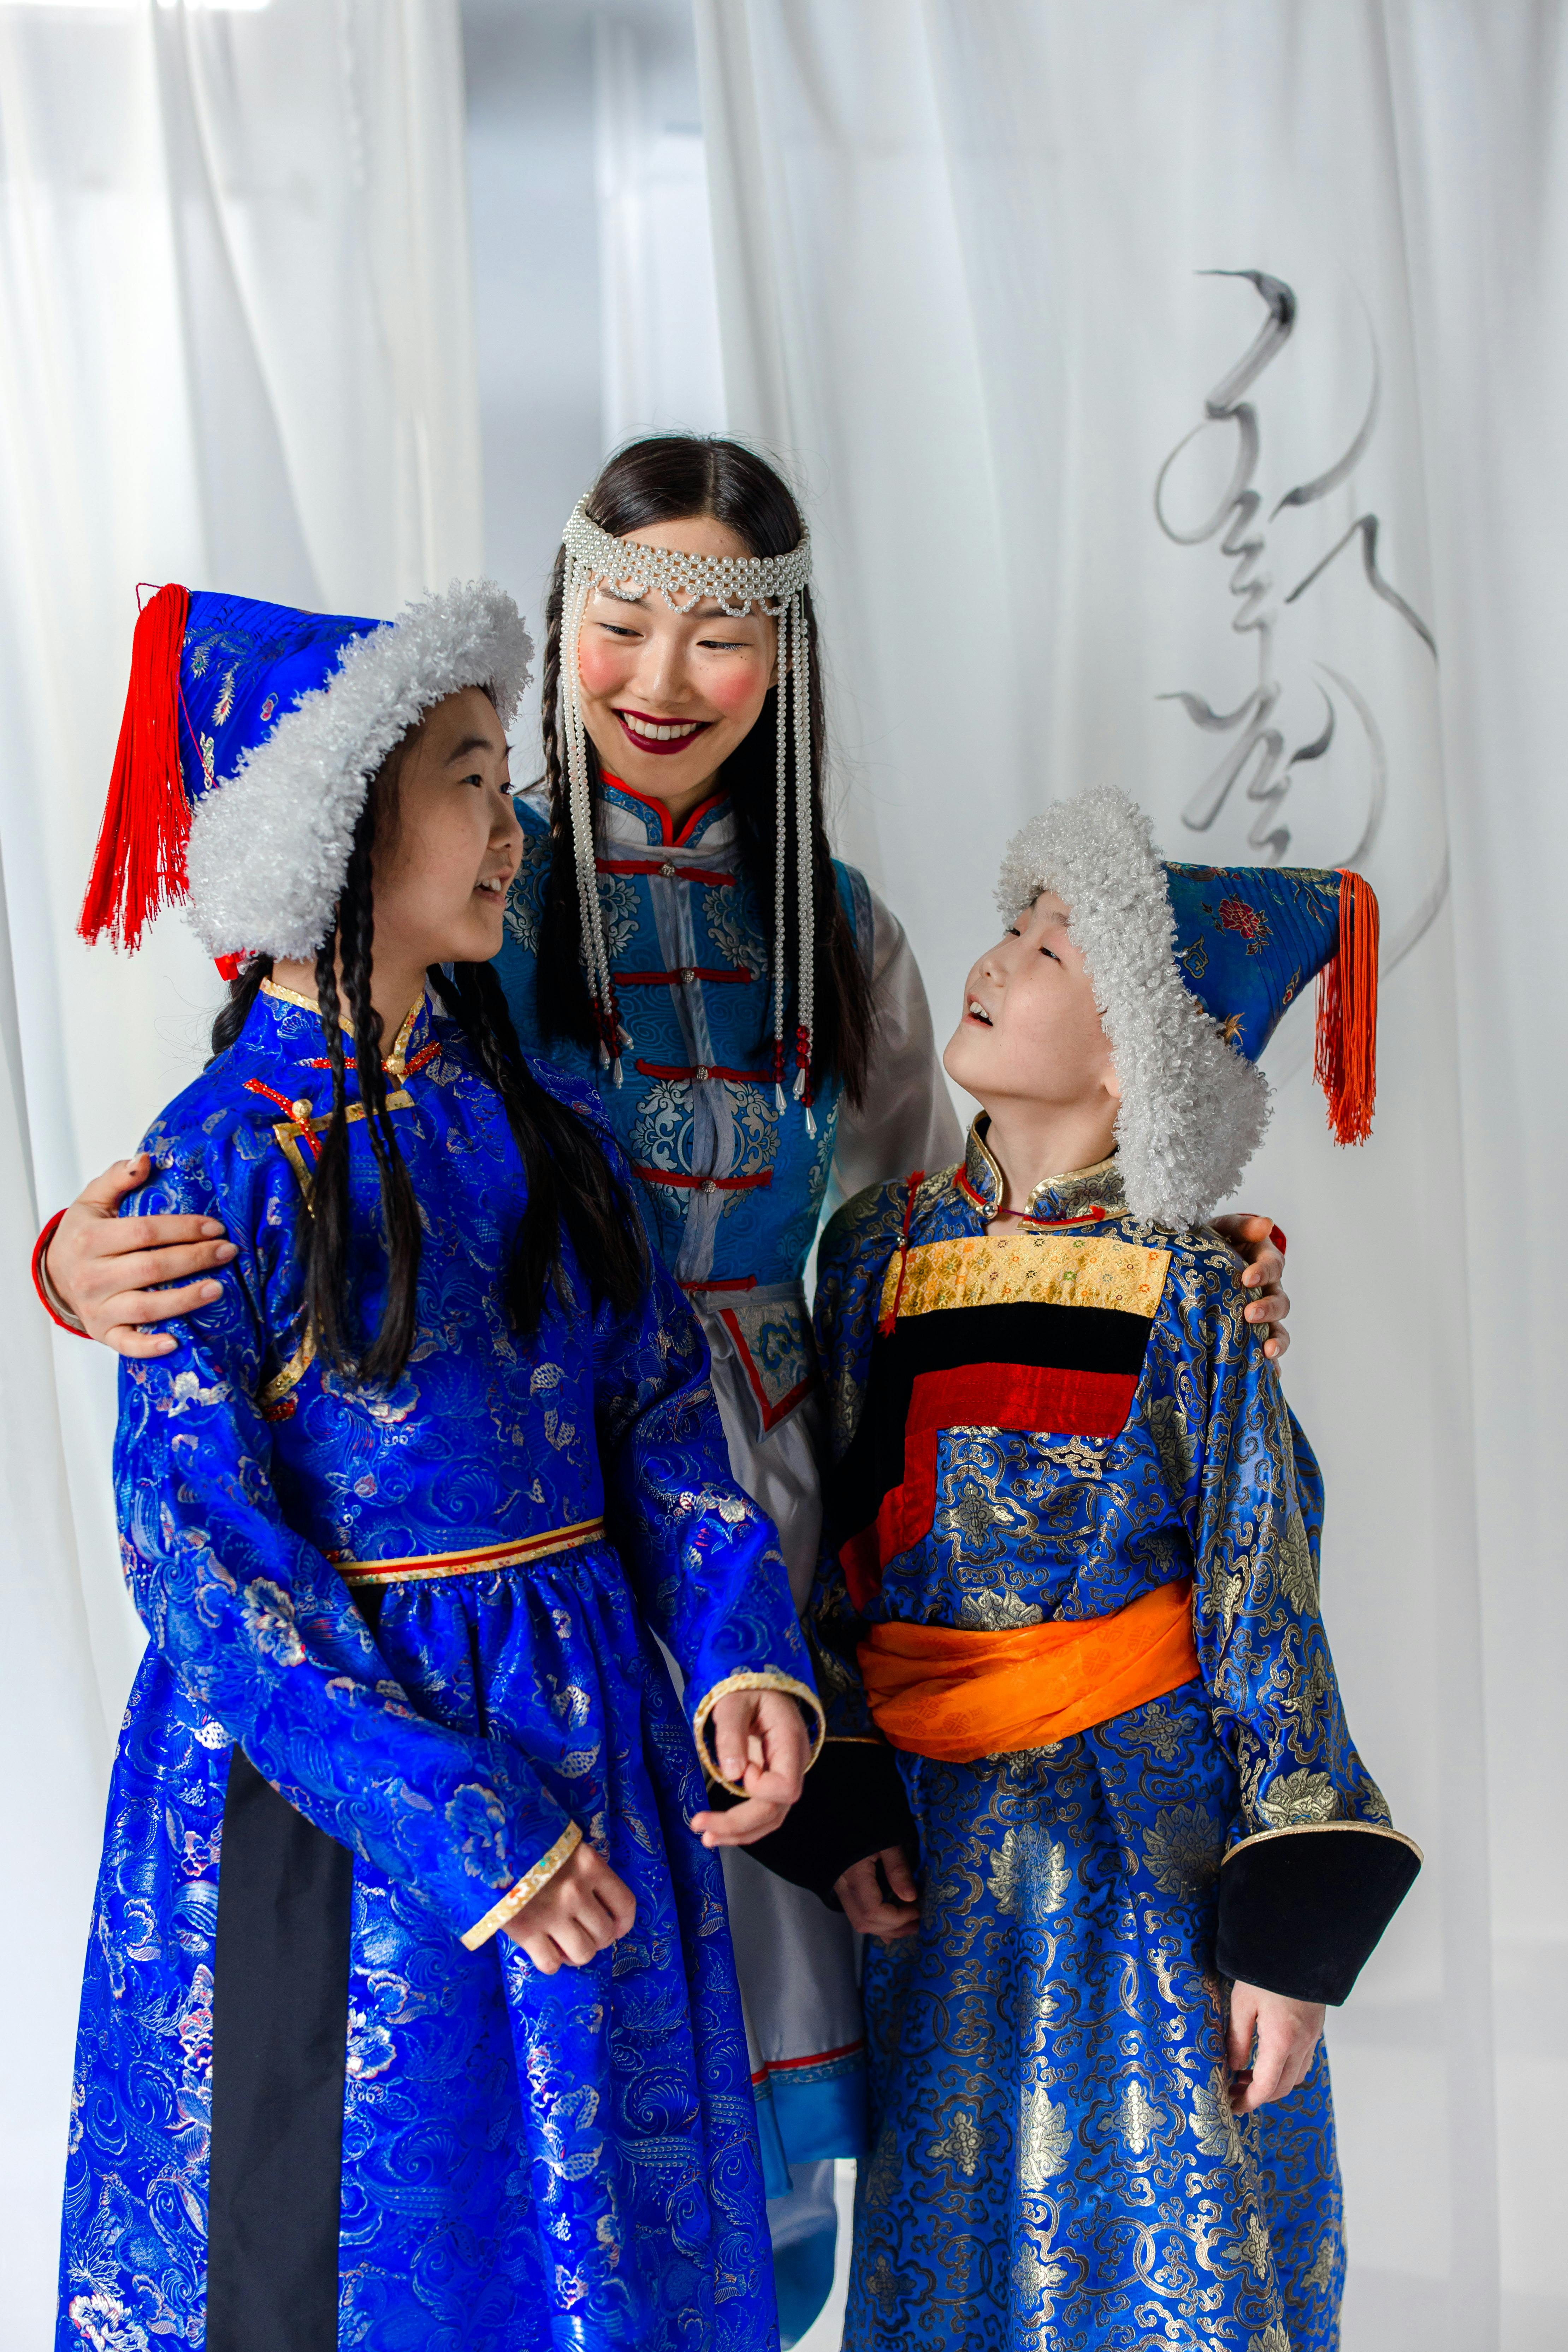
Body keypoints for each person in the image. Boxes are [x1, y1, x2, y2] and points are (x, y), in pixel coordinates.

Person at [35, 437, 1296, 2342]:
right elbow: (211, 1456)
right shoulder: (472, 931)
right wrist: (66, 1265)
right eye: (619, 624)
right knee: (390, 2194)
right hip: (417, 1644)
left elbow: (915, 1255)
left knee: (713, 2130)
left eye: (721, 640)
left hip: (740, 1568)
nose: (658, 680)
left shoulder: (824, 942)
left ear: (785, 661)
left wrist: (1156, 1265)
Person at [57, 578, 821, 2352]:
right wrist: (462, 1818)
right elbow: (204, 1571)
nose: (512, 827)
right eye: (473, 779)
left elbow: (653, 1415)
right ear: (339, 823)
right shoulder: (208, 1176)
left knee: (611, 2252)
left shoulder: (534, 1125)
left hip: (596, 1760)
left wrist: (735, 1649)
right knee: (358, 2255)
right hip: (362, 1802)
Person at [758, 787, 1420, 2352]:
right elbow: (844, 1537)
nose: (999, 958)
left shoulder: (1194, 1285)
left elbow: (1265, 1589)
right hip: (937, 1833)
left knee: (1155, 2215)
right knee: (957, 2223)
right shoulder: (877, 1248)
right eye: (1014, 926)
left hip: (1146, 1839)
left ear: (1135, 1054)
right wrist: (847, 1789)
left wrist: (1288, 1934)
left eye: (1055, 948)